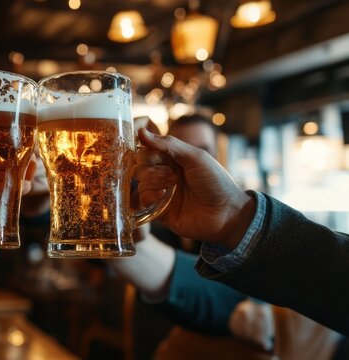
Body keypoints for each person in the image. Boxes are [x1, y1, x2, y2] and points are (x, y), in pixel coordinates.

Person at [133, 124, 349, 335]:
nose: (184, 160)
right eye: (181, 149)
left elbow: (235, 305)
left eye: (201, 150)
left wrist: (232, 215)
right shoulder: (152, 217)